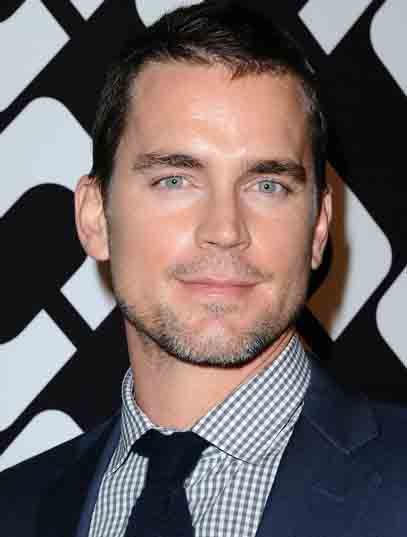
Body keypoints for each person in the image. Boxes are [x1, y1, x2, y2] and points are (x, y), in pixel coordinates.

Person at [1, 2, 406, 536]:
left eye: (268, 185)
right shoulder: (13, 508)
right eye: (175, 180)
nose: (225, 228)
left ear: (318, 227)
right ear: (95, 217)